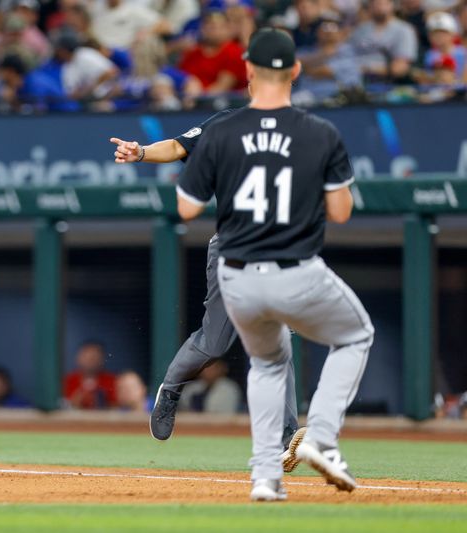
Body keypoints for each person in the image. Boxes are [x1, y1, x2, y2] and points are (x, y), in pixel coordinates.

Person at [176, 28, 374, 501]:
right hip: (295, 270)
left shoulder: (222, 129)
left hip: (238, 276)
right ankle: (322, 439)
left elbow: (186, 208)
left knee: (266, 365)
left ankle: (266, 477)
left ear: (247, 71)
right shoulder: (320, 133)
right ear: (296, 71)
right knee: (355, 335)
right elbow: (342, 213)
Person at [109, 111, 304, 476]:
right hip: (231, 247)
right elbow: (179, 146)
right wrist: (141, 153)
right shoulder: (229, 123)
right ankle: (170, 389)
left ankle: (286, 432)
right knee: (214, 344)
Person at [63, 341, 117, 409]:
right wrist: (73, 403)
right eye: (87, 356)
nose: (90, 360)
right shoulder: (67, 381)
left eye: (94, 357)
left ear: (102, 359)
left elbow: (119, 407)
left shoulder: (113, 381)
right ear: (78, 358)